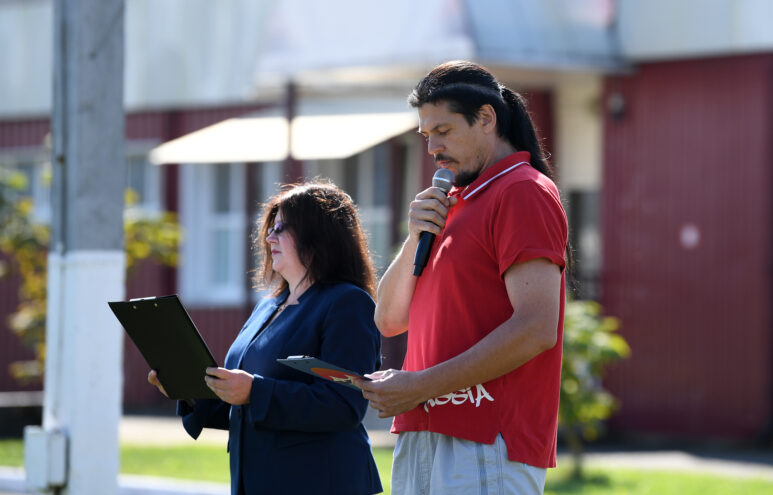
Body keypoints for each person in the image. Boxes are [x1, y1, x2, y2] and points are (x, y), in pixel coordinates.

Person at [355, 61, 568, 495]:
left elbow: (536, 329)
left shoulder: (522, 191)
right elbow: (389, 319)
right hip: (422, 432)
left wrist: (418, 385)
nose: (432, 147)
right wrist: (415, 236)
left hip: (487, 440)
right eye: (426, 134)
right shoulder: (450, 201)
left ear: (486, 118)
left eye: (444, 131)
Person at [149, 181, 383, 495]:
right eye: (270, 228)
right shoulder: (268, 305)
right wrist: (189, 389)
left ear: (318, 235)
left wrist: (254, 391)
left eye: (282, 229)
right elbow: (246, 408)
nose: (269, 237)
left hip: (321, 483)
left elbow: (343, 404)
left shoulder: (348, 304)